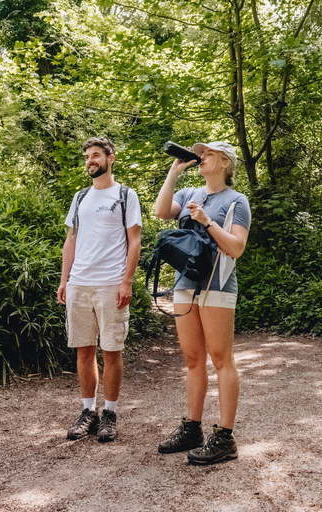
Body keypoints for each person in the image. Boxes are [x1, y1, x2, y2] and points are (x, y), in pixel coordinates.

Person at [153, 141, 251, 464]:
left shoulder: (237, 201)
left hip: (218, 284)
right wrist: (174, 171)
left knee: (221, 358)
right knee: (193, 359)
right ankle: (192, 428)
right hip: (186, 283)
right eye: (201, 154)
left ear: (225, 163)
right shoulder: (190, 193)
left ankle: (225, 437)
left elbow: (235, 248)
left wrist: (208, 221)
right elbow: (161, 210)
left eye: (208, 154)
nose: (201, 157)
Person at [57, 136, 142, 443]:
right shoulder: (80, 197)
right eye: (87, 157)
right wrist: (65, 279)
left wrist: (127, 281)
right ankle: (88, 411)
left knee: (112, 350)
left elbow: (134, 240)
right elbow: (71, 240)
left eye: (96, 155)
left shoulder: (125, 195)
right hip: (80, 283)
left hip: (111, 284)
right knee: (84, 350)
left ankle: (110, 413)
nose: (90, 160)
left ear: (110, 158)